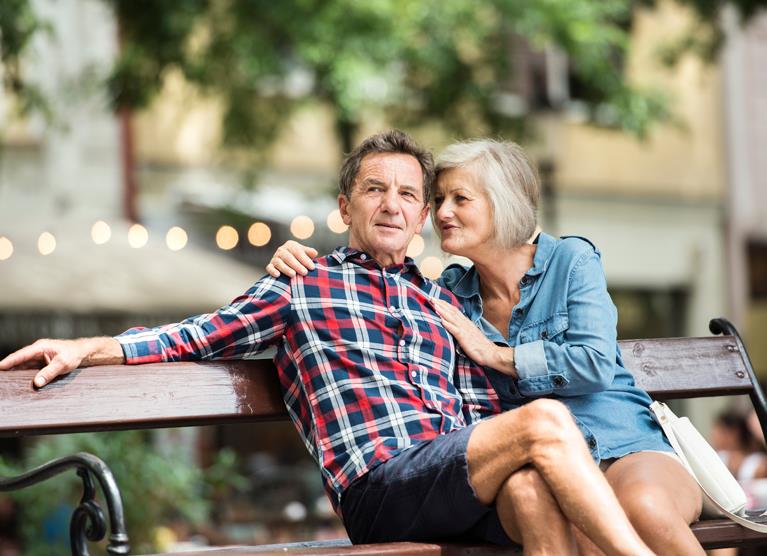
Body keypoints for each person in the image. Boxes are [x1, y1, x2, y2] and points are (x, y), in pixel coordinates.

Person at [1, 130, 654, 555]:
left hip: (456, 480)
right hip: (380, 487)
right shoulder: (300, 284)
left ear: (423, 216)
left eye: (407, 195)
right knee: (541, 424)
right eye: (375, 190)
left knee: (530, 493)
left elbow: (493, 387)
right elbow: (193, 335)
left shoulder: (440, 297)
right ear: (345, 208)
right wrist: (89, 346)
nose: (392, 205)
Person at [266, 137, 704, 554]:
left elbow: (593, 365)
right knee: (559, 514)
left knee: (645, 510)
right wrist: (292, 261)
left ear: (501, 204)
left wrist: (496, 354)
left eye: (460, 199)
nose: (442, 212)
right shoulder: (446, 294)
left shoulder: (570, 261)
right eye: (437, 201)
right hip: (533, 460)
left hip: (621, 443)